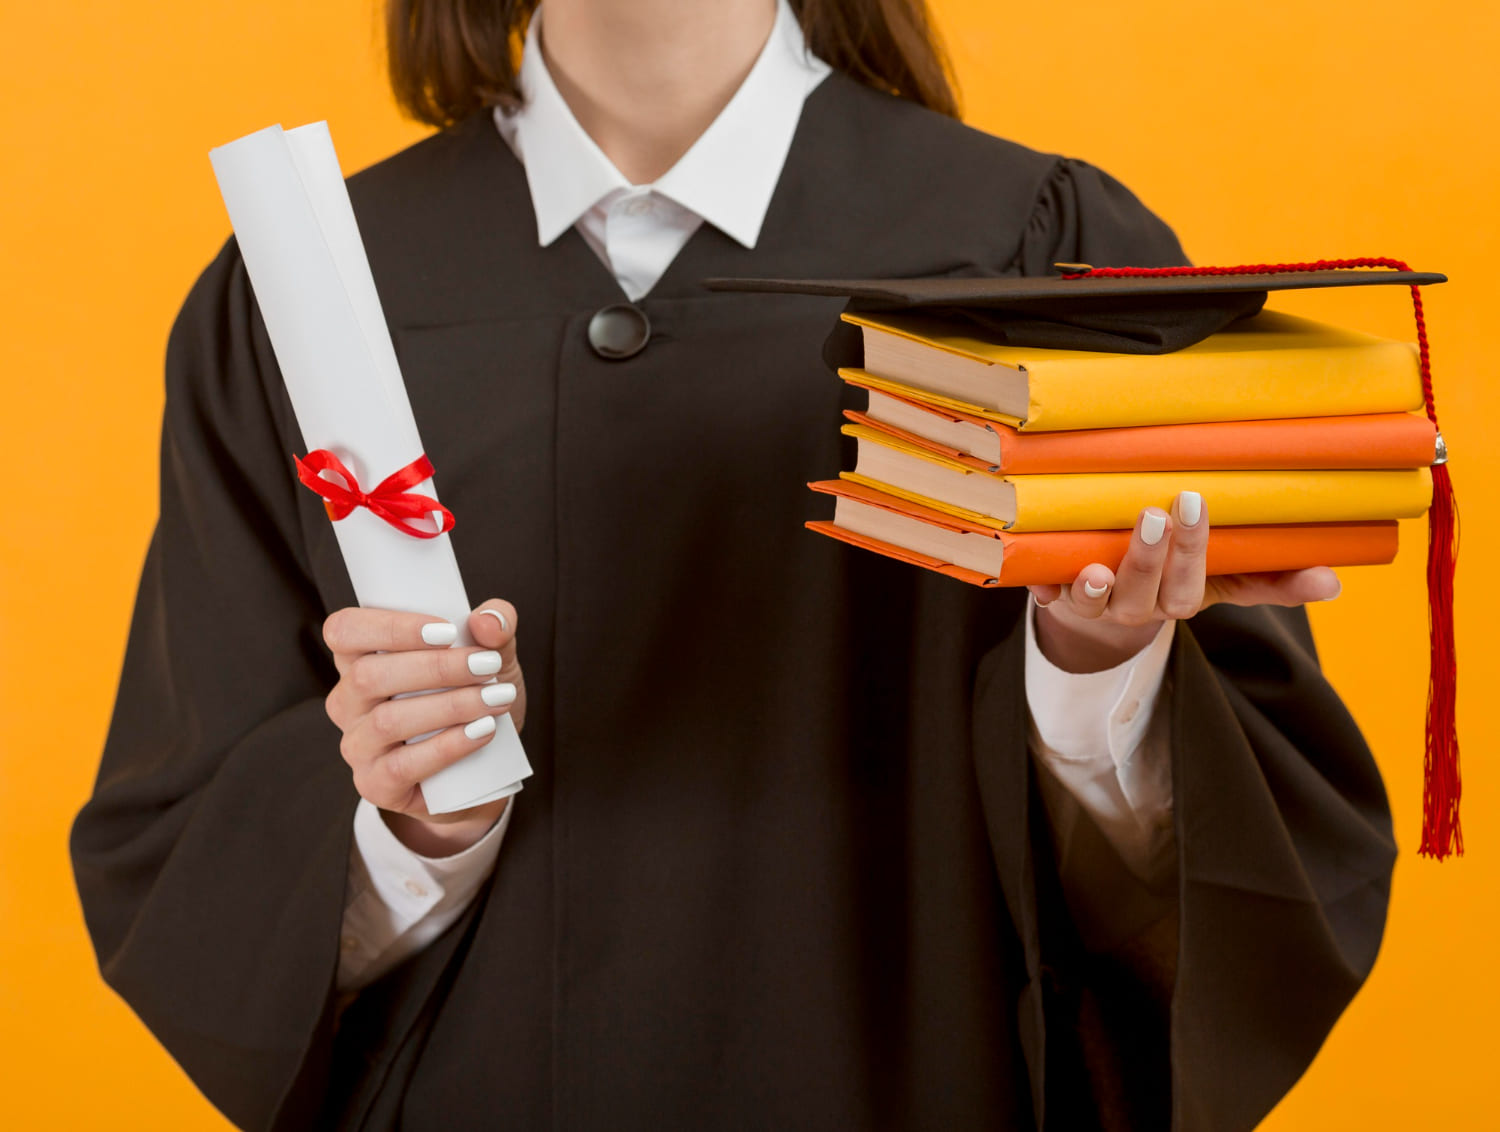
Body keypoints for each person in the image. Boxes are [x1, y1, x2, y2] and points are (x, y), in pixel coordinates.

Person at [71, 1, 1397, 1129]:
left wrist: (1096, 666)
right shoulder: (305, 293)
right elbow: (191, 861)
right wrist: (420, 823)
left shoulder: (1036, 245)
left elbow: (1239, 890)